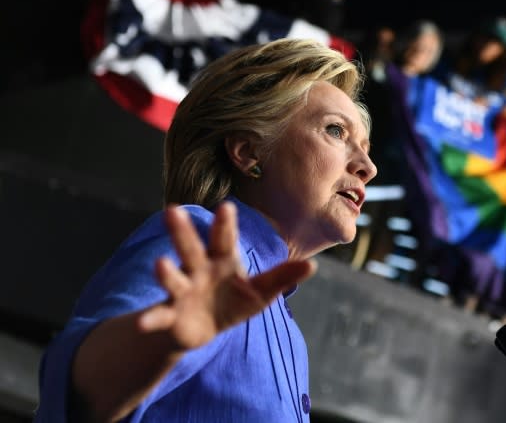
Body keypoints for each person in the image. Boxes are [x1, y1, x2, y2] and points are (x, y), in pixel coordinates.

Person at [33, 38, 377, 422]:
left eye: (365, 146)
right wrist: (162, 342)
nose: (367, 166)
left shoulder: (288, 331)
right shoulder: (202, 241)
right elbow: (75, 395)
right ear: (248, 152)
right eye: (336, 131)